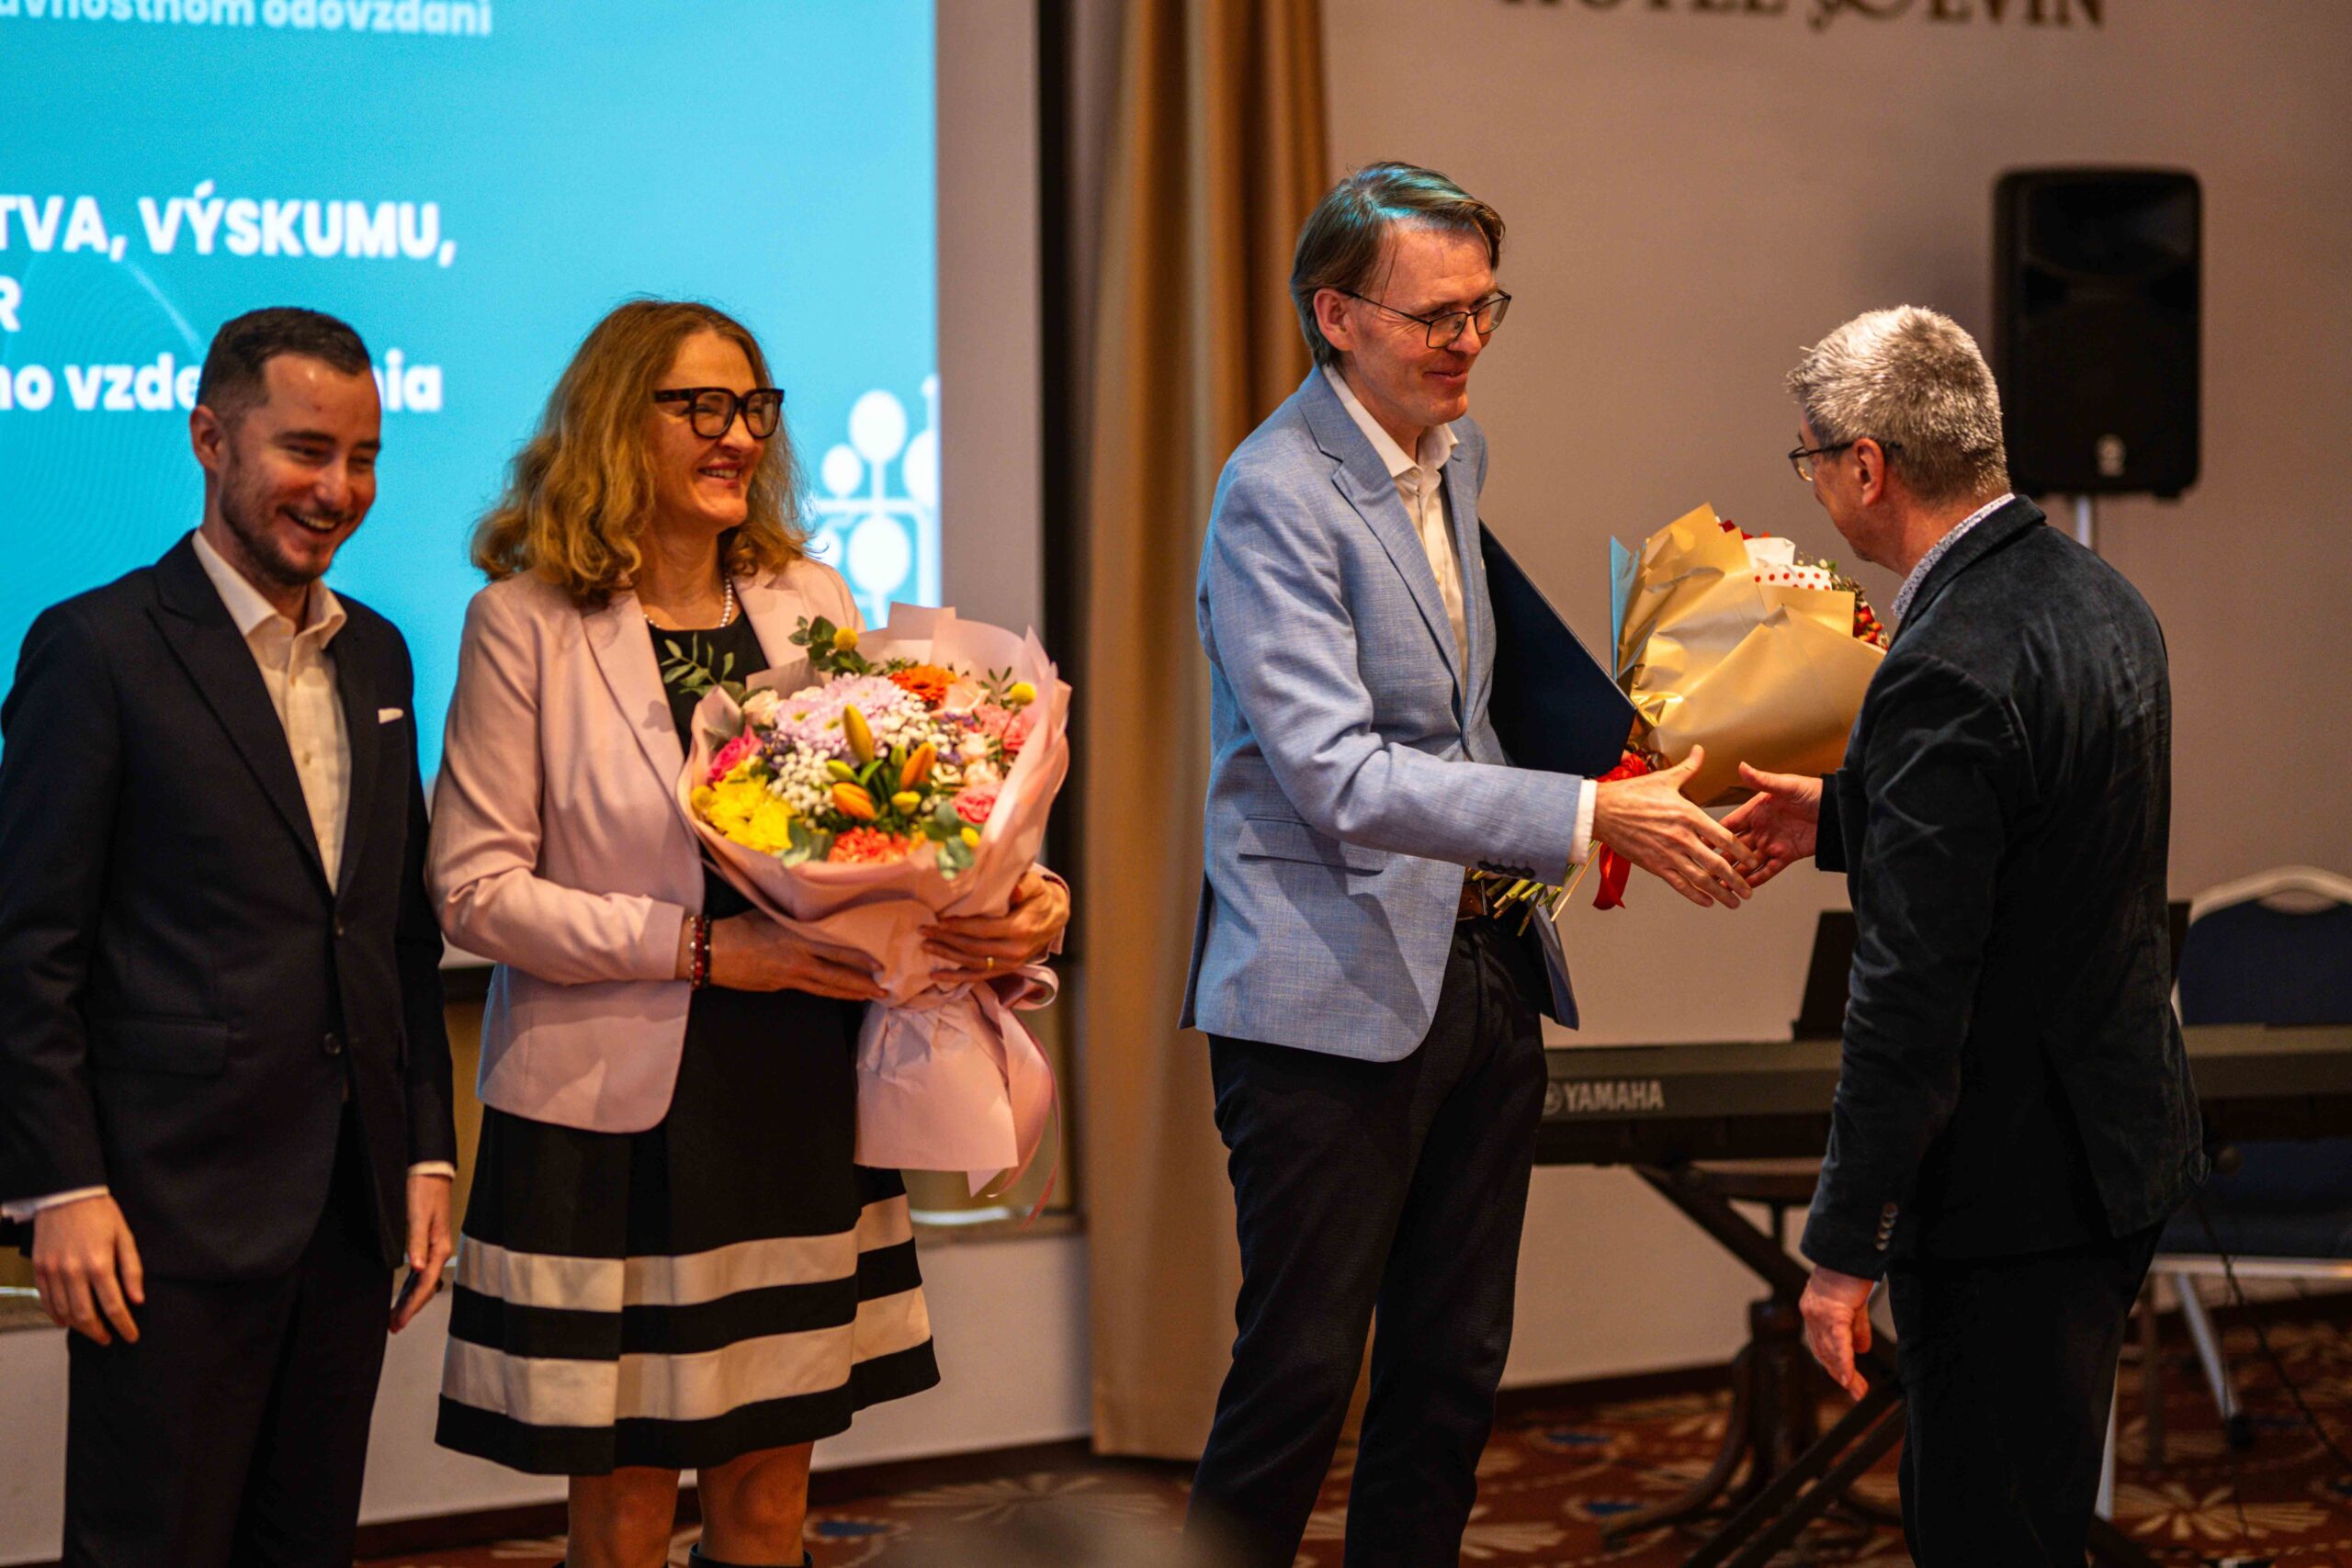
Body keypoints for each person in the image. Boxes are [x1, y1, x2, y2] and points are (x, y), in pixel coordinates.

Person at [428, 299, 1069, 1568]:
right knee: (623, 1515)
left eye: (753, 409)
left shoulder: (806, 598)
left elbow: (893, 813)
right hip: (613, 1117)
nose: (737, 436)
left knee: (772, 1499)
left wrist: (1015, 899)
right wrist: (706, 950)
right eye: (702, 408)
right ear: (618, 425)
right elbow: (473, 890)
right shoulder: (524, 621)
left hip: (793, 1090)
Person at [1180, 163, 1754, 1568]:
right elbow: (1337, 777)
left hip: (1485, 964)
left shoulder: (1455, 454)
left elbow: (1462, 713)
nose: (1468, 339)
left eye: (1485, 306)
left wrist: (1644, 759)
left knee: (1451, 1374)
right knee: (1300, 1379)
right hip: (1323, 995)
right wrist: (1584, 816)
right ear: (1336, 316)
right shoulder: (1273, 493)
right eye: (1434, 314)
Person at [1727, 306, 2205, 1566]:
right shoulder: (2100, 597)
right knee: (2038, 1512)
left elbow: (1910, 998)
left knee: (1987, 1535)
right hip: (2115, 1153)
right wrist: (1846, 815)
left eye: (1811, 459)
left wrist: (1841, 1250)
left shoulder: (1944, 660)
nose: (1813, 485)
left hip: (2009, 1191)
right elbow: (2045, 828)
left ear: (1867, 465)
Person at [0, 306, 458, 1567]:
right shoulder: (95, 649)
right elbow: (29, 948)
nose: (338, 490)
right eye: (306, 450)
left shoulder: (380, 656)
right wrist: (62, 1186)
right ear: (210, 438)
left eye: (363, 457)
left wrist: (425, 1151)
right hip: (164, 1219)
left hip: (349, 1211)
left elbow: (395, 938)